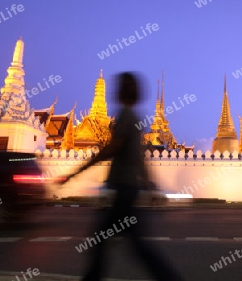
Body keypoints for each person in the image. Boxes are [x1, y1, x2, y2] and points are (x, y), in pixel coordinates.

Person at [65, 71, 184, 281]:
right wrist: (150, 186)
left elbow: (112, 149)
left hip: (122, 191)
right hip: (126, 190)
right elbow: (139, 158)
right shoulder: (133, 118)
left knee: (113, 245)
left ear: (122, 92)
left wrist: (77, 171)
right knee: (130, 247)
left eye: (120, 87)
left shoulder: (126, 118)